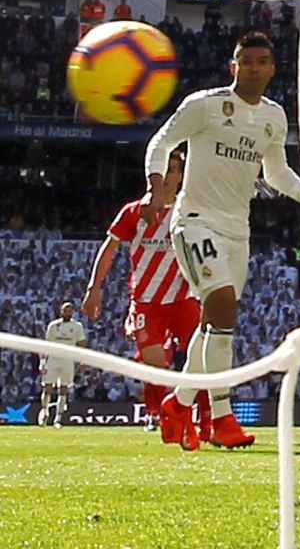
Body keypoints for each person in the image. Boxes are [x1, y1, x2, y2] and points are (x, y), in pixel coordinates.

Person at [142, 31, 300, 451]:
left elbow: (276, 174)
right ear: (233, 66)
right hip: (195, 221)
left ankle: (178, 404)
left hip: (239, 230)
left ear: (272, 68)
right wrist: (154, 186)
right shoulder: (205, 105)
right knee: (222, 305)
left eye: (261, 61)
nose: (253, 67)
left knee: (214, 322)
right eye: (245, 61)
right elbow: (161, 142)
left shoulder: (273, 117)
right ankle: (220, 415)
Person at [82, 147, 214, 441]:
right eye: (164, 170)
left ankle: (206, 419)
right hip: (146, 302)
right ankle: (161, 416)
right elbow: (110, 248)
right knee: (154, 363)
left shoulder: (191, 210)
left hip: (184, 299)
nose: (169, 176)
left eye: (175, 170)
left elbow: (206, 252)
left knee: (201, 358)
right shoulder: (135, 212)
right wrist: (95, 288)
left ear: (182, 176)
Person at [39, 302, 88, 427]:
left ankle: (58, 418)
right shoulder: (53, 325)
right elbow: (47, 345)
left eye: (70, 310)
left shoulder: (77, 326)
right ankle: (44, 412)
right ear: (61, 311)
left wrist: (83, 360)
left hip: (68, 360)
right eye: (65, 310)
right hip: (53, 359)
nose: (68, 312)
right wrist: (43, 362)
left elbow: (82, 343)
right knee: (47, 387)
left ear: (73, 312)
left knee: (63, 389)